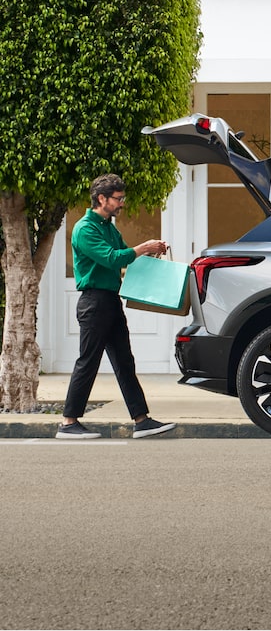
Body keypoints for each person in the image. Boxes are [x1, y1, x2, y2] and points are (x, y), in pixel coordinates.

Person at [56, 173, 177, 440]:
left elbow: (127, 258)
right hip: (93, 302)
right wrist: (143, 247)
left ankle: (141, 420)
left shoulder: (109, 227)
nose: (122, 204)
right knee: (88, 361)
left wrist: (152, 251)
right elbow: (112, 259)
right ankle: (68, 422)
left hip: (110, 300)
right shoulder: (85, 228)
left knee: (124, 361)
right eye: (118, 199)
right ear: (102, 198)